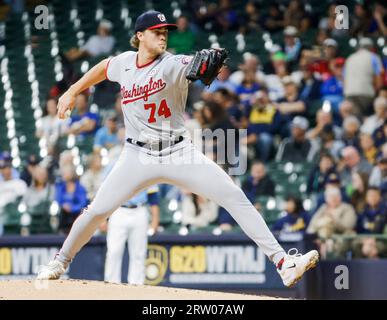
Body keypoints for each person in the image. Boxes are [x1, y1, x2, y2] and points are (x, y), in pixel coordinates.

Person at [37, 10, 319, 288]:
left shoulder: (171, 63)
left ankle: (283, 263)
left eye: (165, 31)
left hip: (178, 152)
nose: (163, 35)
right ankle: (60, 262)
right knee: (98, 210)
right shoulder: (124, 63)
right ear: (139, 36)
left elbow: (192, 63)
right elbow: (103, 67)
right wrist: (72, 91)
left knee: (233, 195)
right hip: (137, 155)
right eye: (156, 31)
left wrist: (204, 62)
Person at [104, 186, 160, 284]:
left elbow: (153, 195)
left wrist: (155, 218)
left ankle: (136, 286)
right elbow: (107, 192)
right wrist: (103, 217)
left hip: (140, 209)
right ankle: (111, 284)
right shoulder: (114, 169)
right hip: (118, 209)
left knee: (138, 253)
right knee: (113, 251)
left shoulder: (146, 170)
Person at [344, 38, 384, 117]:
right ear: (371, 47)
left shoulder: (350, 58)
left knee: (356, 116)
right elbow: (379, 77)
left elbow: (344, 79)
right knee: (367, 116)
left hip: (349, 93)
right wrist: (378, 92)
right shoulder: (374, 57)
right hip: (366, 93)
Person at [55, 165, 88, 234]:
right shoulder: (61, 187)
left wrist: (72, 208)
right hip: (63, 215)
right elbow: (57, 200)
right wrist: (64, 206)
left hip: (76, 214)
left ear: (72, 174)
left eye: (66, 173)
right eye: (63, 173)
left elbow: (83, 203)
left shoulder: (80, 188)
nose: (63, 174)